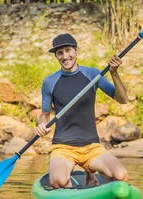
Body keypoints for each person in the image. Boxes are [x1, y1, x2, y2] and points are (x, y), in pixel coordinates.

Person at [35, 33, 129, 189]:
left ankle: (89, 169)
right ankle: (69, 181)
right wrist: (41, 125)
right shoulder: (50, 81)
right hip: (63, 147)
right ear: (56, 56)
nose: (65, 56)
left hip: (91, 146)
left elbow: (123, 99)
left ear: (76, 51)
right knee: (58, 181)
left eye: (68, 50)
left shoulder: (92, 75)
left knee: (121, 176)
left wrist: (114, 73)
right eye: (60, 53)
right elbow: (44, 115)